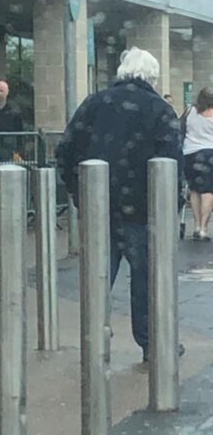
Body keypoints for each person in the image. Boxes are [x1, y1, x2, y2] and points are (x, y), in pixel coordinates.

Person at [56, 47, 184, 362]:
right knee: (146, 279)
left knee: (97, 276)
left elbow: (66, 149)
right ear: (152, 77)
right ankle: (151, 343)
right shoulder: (159, 110)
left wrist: (78, 192)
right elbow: (172, 163)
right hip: (142, 208)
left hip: (99, 205)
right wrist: (171, 205)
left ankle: (95, 340)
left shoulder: (94, 104)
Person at [182, 87, 213, 240]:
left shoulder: (190, 111)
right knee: (208, 191)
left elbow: (181, 130)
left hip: (190, 153)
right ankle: (204, 227)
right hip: (210, 153)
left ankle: (196, 225)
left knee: (194, 189)